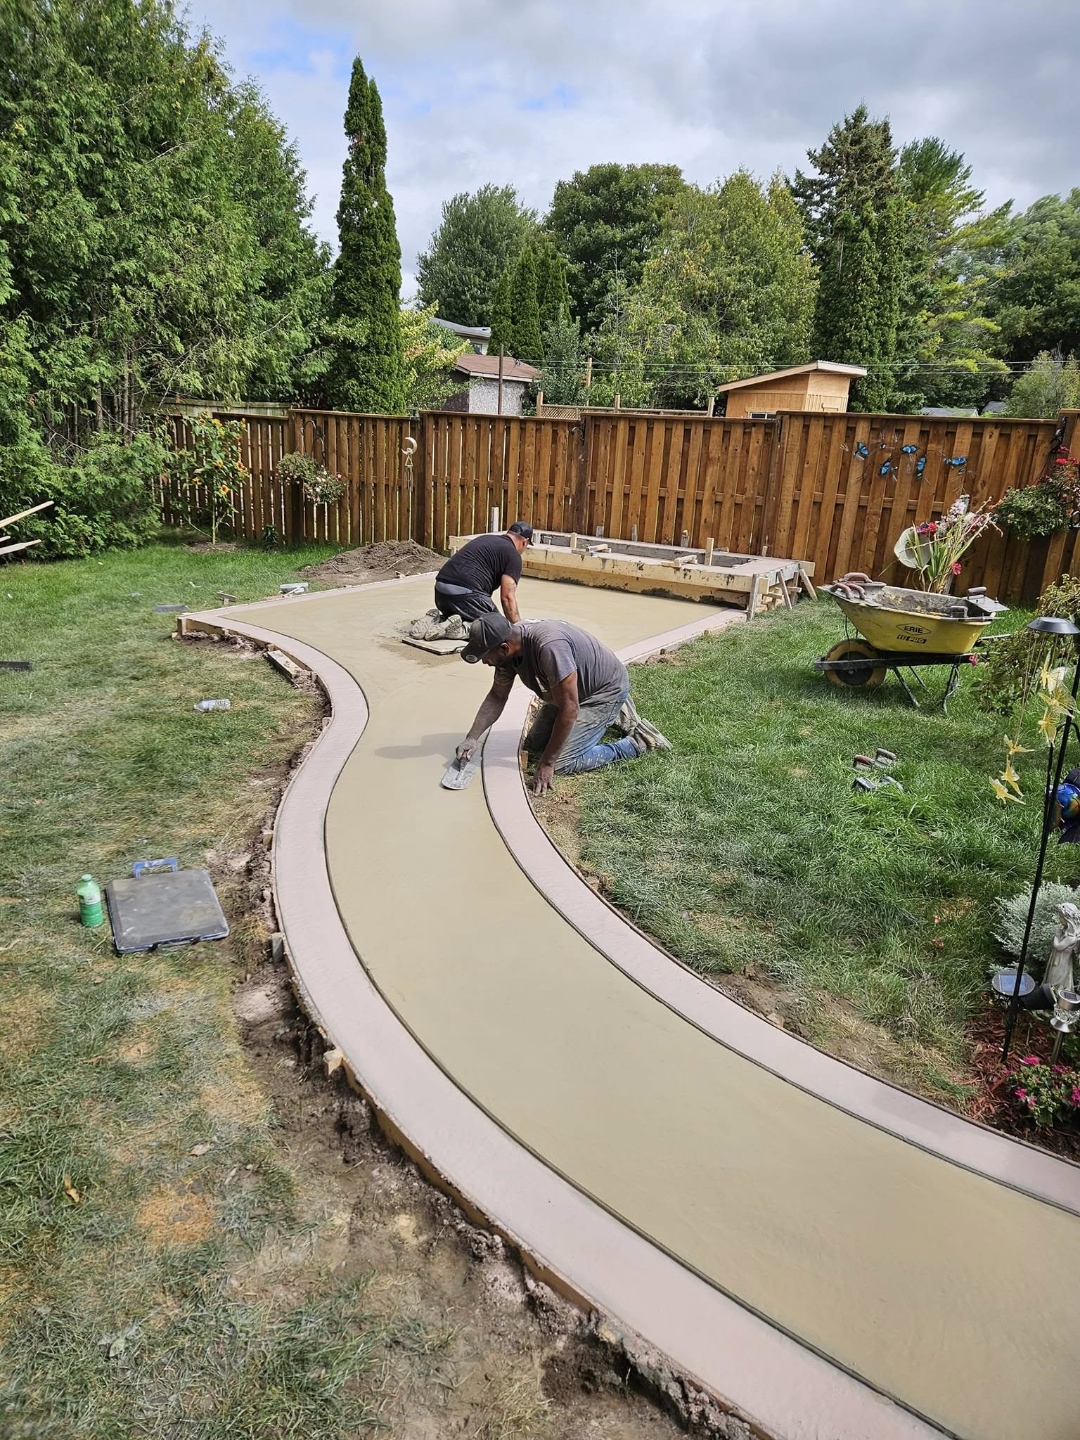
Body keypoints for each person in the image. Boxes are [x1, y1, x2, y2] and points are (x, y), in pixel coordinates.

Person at [455, 613, 670, 795]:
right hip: (565, 693)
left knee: (563, 763)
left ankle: (639, 742)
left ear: (504, 648)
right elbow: (497, 697)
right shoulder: (508, 650)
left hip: (602, 691)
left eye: (485, 656)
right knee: (537, 744)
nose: (485, 662)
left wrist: (548, 764)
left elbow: (570, 709)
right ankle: (613, 714)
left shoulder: (549, 648)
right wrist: (472, 738)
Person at [433, 521, 533, 625]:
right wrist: (518, 628)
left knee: (466, 614)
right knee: (499, 627)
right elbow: (507, 598)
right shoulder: (513, 555)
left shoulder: (485, 539)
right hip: (464, 597)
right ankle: (465, 629)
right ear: (525, 542)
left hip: (440, 594)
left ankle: (437, 620)